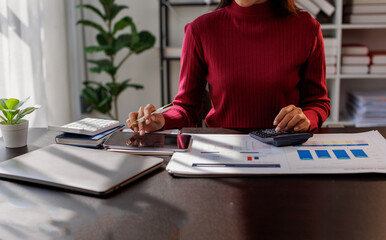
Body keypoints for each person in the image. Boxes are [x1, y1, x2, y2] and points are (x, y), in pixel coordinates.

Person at [127, 0, 331, 135]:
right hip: (222, 151)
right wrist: (160, 120)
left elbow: (318, 103)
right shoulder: (200, 30)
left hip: (287, 150)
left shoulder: (307, 28)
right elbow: (186, 107)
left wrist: (307, 118)